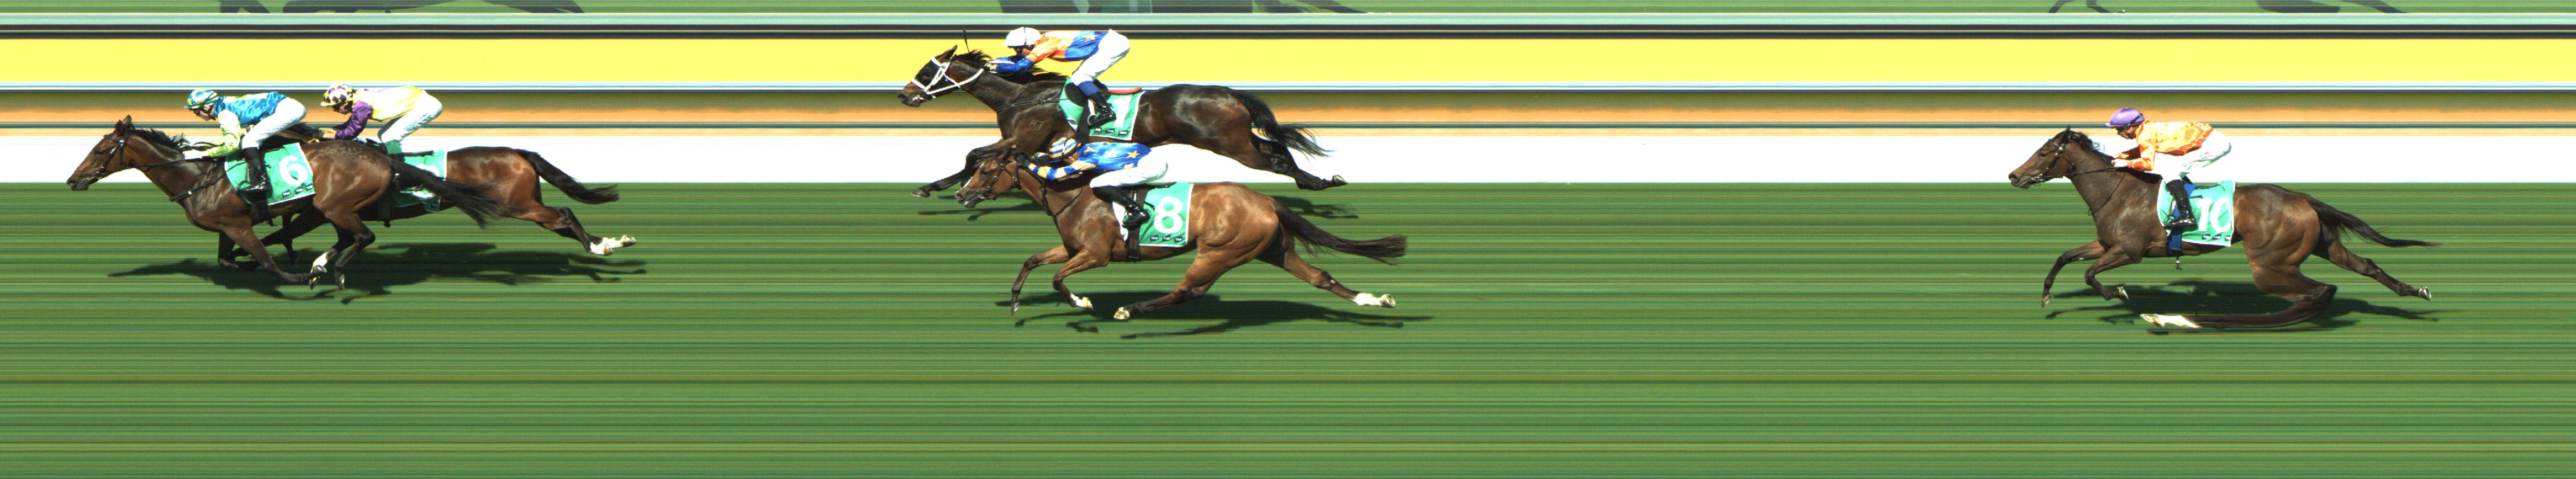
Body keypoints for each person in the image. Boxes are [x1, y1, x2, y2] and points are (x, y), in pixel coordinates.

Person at [990, 28, 1131, 140]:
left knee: (1081, 76)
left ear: (1030, 45)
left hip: (1113, 45)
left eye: (1018, 49)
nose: (1017, 52)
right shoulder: (1041, 42)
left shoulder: (1045, 46)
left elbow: (1020, 67)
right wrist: (993, 62)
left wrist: (996, 68)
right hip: (1111, 42)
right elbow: (1018, 60)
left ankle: (1106, 111)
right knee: (1080, 75)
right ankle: (1100, 96)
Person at [2104, 108, 2234, 230]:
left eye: (2120, 129)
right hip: (2211, 141)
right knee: (2173, 170)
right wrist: (2122, 156)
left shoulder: (2145, 135)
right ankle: (2188, 200)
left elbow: (2148, 165)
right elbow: (2143, 149)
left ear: (2131, 127)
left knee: (2171, 172)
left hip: (2213, 145)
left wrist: (2126, 164)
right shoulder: (2147, 129)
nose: (2119, 134)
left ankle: (2187, 215)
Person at [183, 89, 307, 200]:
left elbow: (232, 146)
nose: (197, 115)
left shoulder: (225, 113)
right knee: (250, 137)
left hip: (288, 110)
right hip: (287, 106)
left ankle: (263, 181)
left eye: (196, 111)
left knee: (249, 141)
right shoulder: (225, 104)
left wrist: (203, 154)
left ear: (206, 107)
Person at [1034, 137, 1162, 230]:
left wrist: (1028, 165)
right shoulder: (1092, 146)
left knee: (1097, 183)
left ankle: (1137, 211)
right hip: (1154, 154)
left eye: (1064, 162)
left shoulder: (1086, 161)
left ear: (1070, 158)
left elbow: (1053, 175)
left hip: (1151, 168)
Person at [315, 84, 444, 153]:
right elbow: (349, 126)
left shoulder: (362, 106)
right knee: (383, 134)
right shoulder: (358, 99)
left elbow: (352, 133)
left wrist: (325, 136)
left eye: (336, 107)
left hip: (427, 107)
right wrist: (323, 131)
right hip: (420, 102)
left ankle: (400, 172)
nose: (335, 111)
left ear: (346, 103)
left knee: (389, 137)